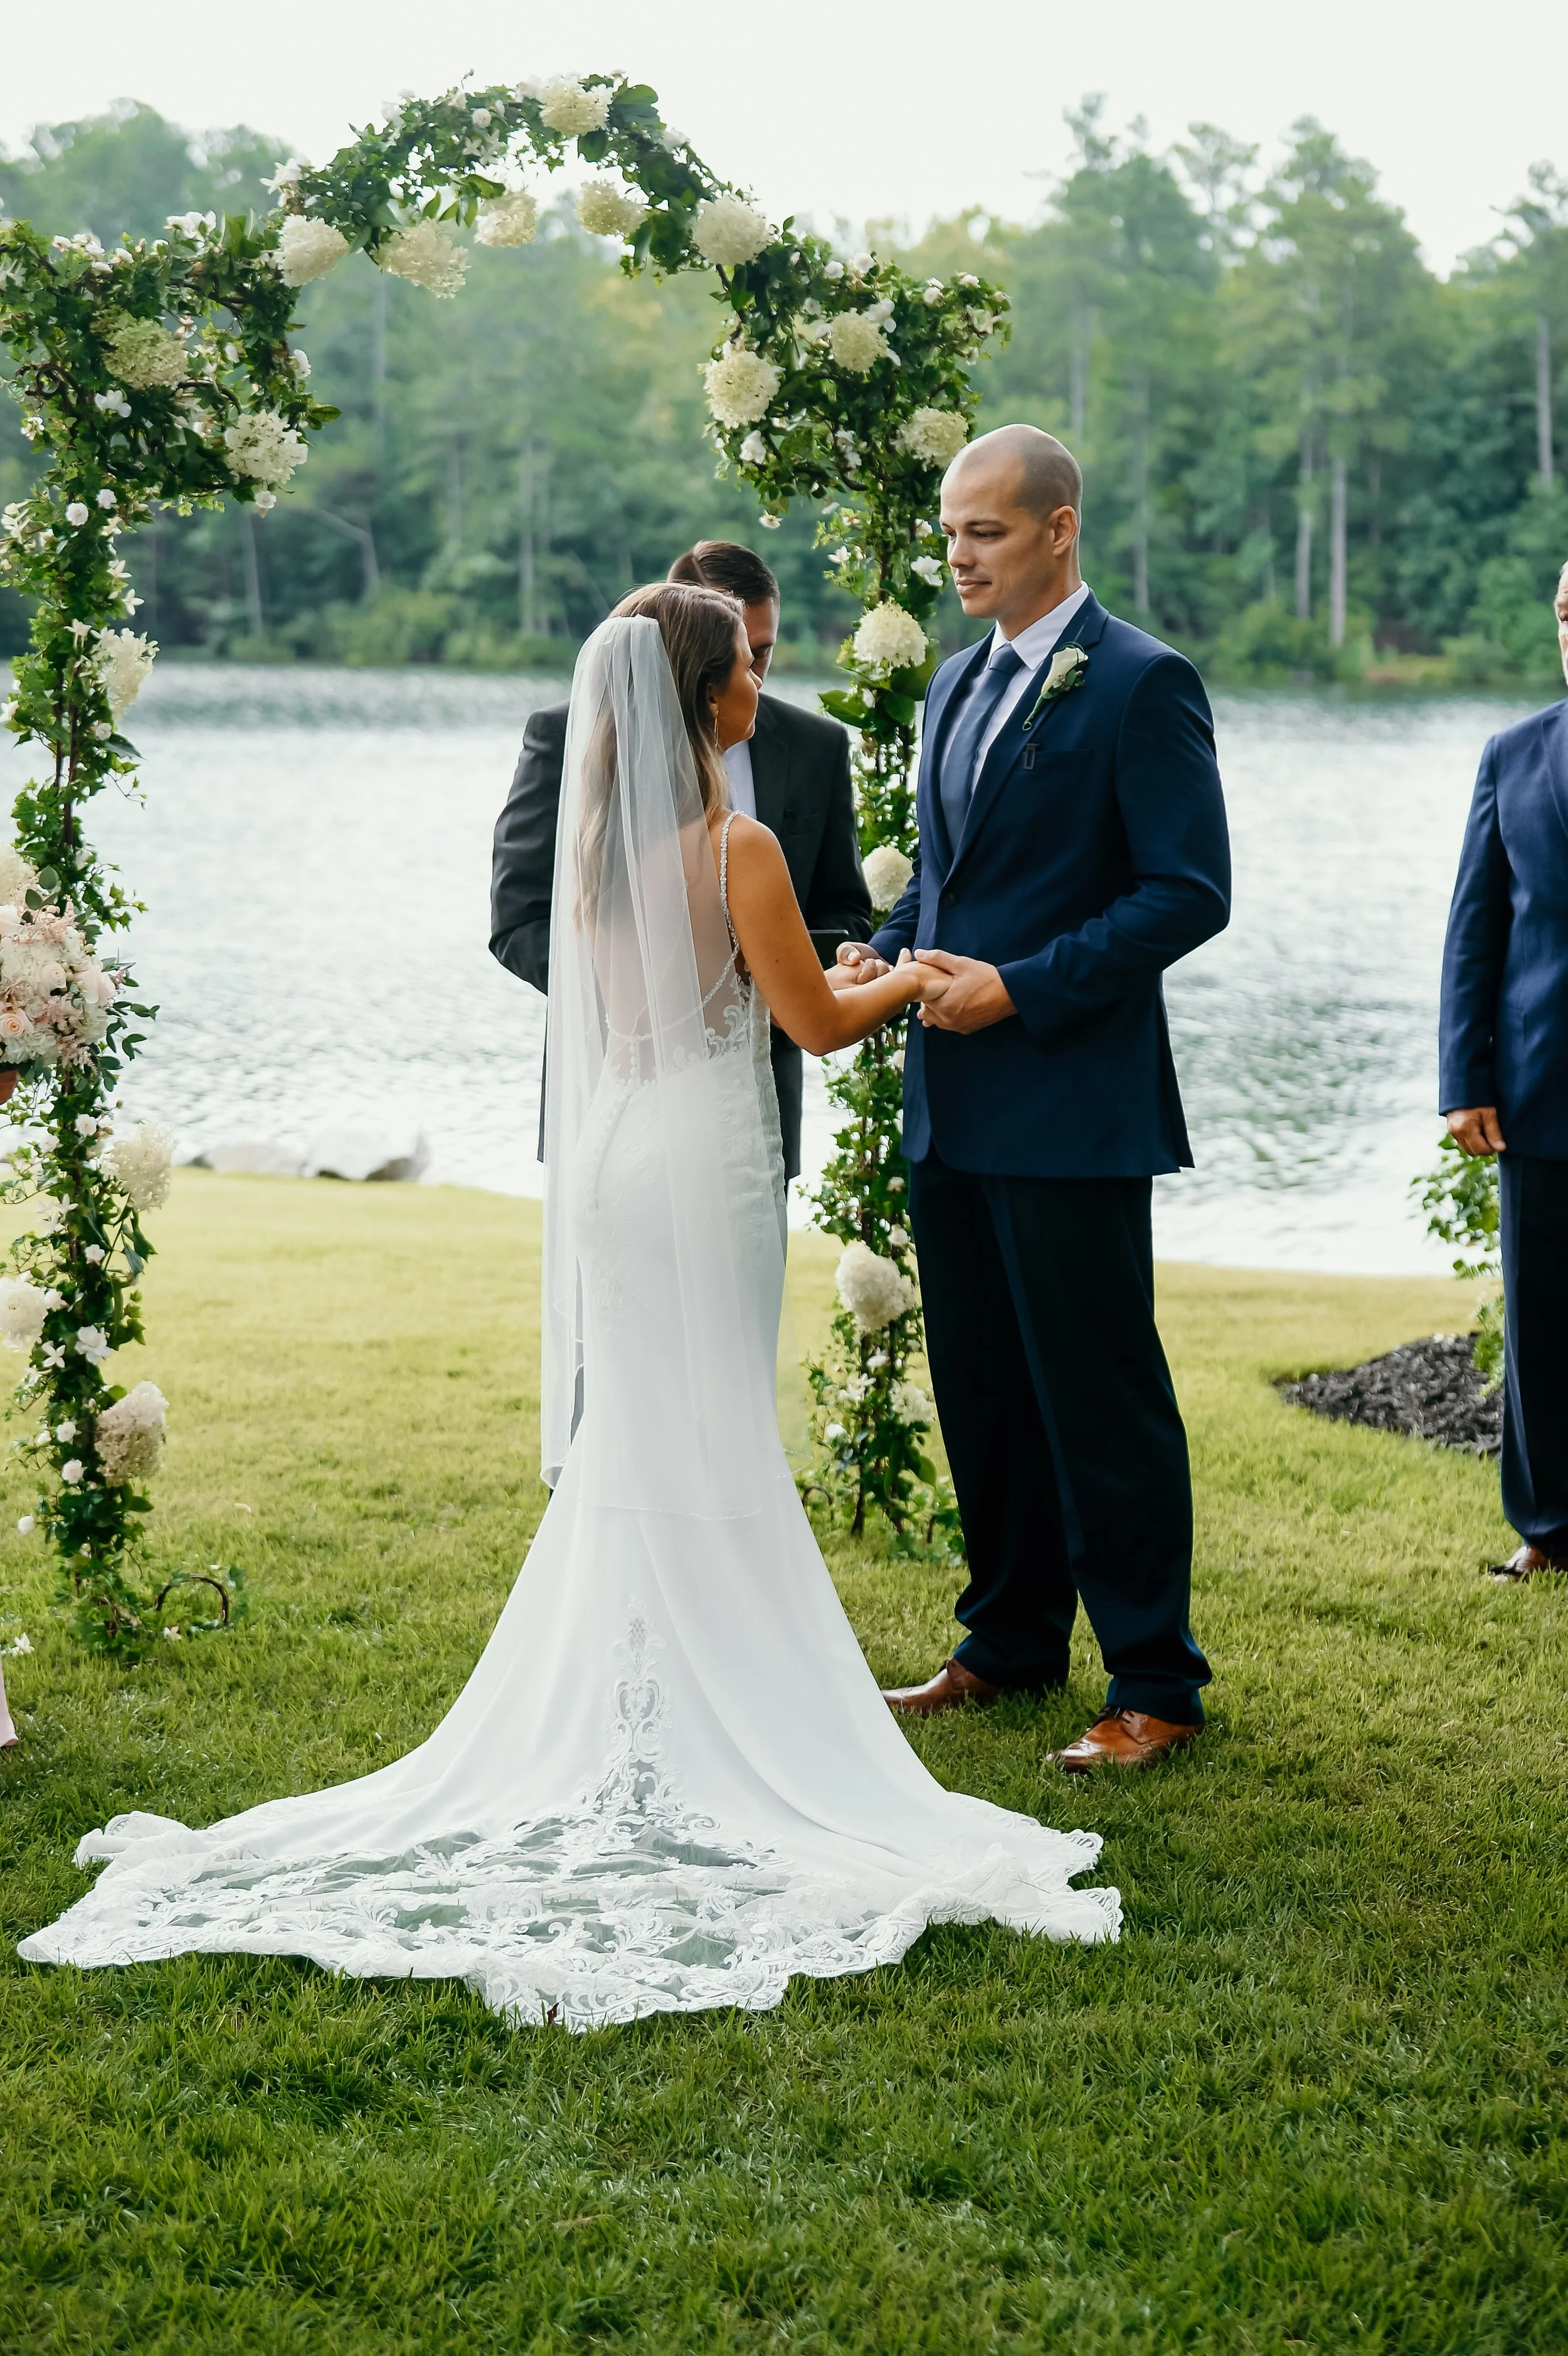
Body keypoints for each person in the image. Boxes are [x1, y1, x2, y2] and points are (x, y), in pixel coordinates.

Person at [20, 585, 1119, 2027]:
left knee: (645, 1435)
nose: (756, 681)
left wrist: (831, 965)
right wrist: (910, 974)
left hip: (614, 1160)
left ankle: (643, 1711)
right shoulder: (737, 839)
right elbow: (808, 1019)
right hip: (705, 1165)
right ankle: (722, 1725)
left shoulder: (605, 840)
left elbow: (703, 984)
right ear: (707, 698)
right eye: (744, 666)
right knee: (713, 1425)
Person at [840, 425, 1231, 1773]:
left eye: (985, 531)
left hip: (1069, 1099)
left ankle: (1154, 1684)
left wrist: (1019, 987)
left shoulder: (1139, 682)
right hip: (950, 1100)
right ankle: (1005, 1642)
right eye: (950, 532)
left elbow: (1186, 893)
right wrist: (884, 959)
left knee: (1100, 1399)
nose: (957, 553)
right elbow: (952, 881)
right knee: (984, 1390)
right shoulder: (953, 685)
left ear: (1058, 528)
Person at [489, 540, 871, 1181]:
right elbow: (520, 919)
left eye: (765, 652)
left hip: (748, 1111)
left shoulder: (815, 745)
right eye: (742, 656)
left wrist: (792, 970)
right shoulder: (568, 736)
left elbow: (845, 912)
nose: (757, 673)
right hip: (609, 1093)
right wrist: (647, 1005)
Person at [1439, 560, 1568, 1581]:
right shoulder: (1512, 756)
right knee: (1543, 1318)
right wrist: (1462, 1078)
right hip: (1539, 1086)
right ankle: (1549, 1528)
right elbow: (1474, 933)